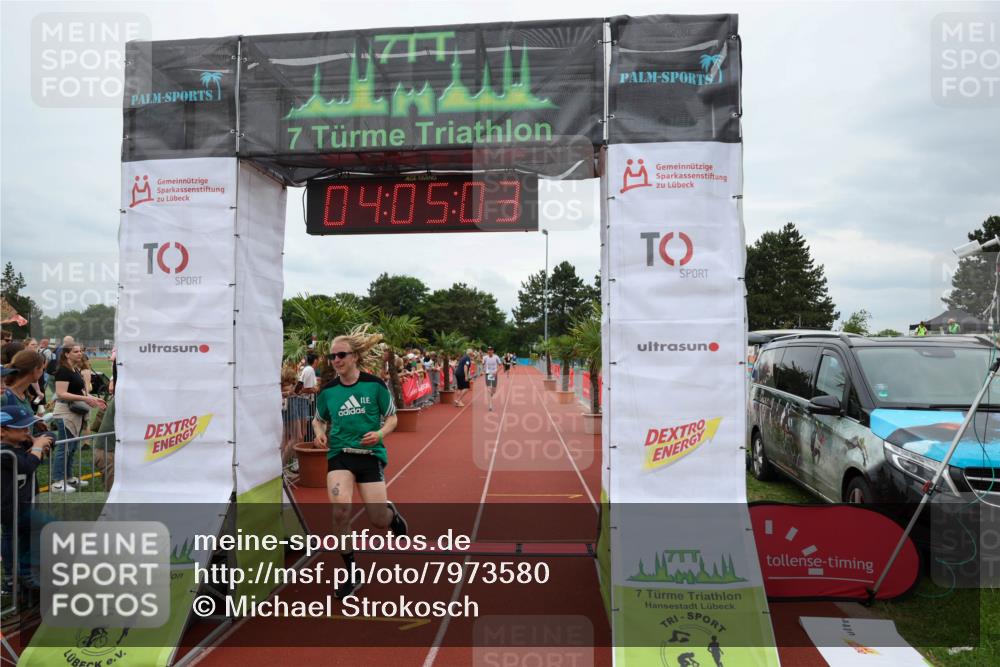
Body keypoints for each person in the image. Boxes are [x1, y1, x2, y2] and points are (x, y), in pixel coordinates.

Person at [312, 330, 407, 599]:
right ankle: (351, 572)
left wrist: (379, 434)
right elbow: (318, 419)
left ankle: (391, 515)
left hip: (369, 456)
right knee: (340, 510)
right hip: (340, 455)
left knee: (378, 520)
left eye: (341, 355)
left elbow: (392, 418)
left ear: (355, 356)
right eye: (332, 356)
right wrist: (319, 431)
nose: (336, 360)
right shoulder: (328, 391)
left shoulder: (374, 385)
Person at [1, 405, 54, 601]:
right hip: (10, 507)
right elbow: (28, 465)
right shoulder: (5, 453)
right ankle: (26, 576)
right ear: (2, 431)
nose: (27, 431)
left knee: (16, 537)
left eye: (28, 428)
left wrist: (37, 440)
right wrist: (38, 447)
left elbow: (49, 434)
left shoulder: (21, 444)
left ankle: (13, 579)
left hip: (23, 503)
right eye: (21, 428)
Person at [51, 345, 105, 492]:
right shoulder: (63, 370)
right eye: (76, 351)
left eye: (81, 351)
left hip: (75, 413)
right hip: (65, 413)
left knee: (72, 447)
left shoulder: (74, 369)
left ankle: (68, 478)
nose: (80, 353)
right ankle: (57, 482)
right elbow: (61, 394)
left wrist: (93, 398)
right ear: (67, 354)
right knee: (65, 447)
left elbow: (79, 391)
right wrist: (85, 398)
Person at [481, 346, 502, 412]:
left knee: (494, 390)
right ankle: (490, 405)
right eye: (488, 350)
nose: (489, 351)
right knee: (489, 388)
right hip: (488, 374)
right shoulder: (485, 357)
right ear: (487, 351)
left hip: (494, 374)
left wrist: (496, 372)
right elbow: (482, 365)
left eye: (491, 350)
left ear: (493, 351)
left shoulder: (496, 357)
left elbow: (500, 365)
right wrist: (482, 371)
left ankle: (491, 393)